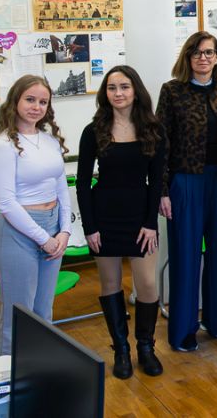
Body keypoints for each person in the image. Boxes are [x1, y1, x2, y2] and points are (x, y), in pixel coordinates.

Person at [76, 65, 166, 378]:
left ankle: (146, 347)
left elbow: (156, 181)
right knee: (110, 284)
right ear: (105, 93)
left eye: (124, 87)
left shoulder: (153, 129)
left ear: (135, 90)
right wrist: (90, 228)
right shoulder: (93, 131)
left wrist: (150, 223)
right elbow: (82, 183)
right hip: (104, 217)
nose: (118, 93)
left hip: (140, 218)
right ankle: (122, 350)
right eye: (112, 88)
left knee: (147, 284)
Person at [155, 31, 217, 352]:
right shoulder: (172, 91)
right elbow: (161, 143)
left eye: (209, 52)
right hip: (185, 181)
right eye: (197, 53)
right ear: (188, 57)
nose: (203, 58)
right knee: (185, 256)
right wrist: (162, 190)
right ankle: (183, 331)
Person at [0, 74, 72, 355]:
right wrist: (43, 239)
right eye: (30, 99)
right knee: (18, 317)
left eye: (43, 102)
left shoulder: (49, 140)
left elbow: (61, 188)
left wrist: (64, 231)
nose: (36, 107)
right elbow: (6, 203)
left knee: (43, 312)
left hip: (53, 227)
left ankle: (39, 371)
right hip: (18, 232)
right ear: (15, 101)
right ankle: (10, 375)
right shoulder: (4, 144)